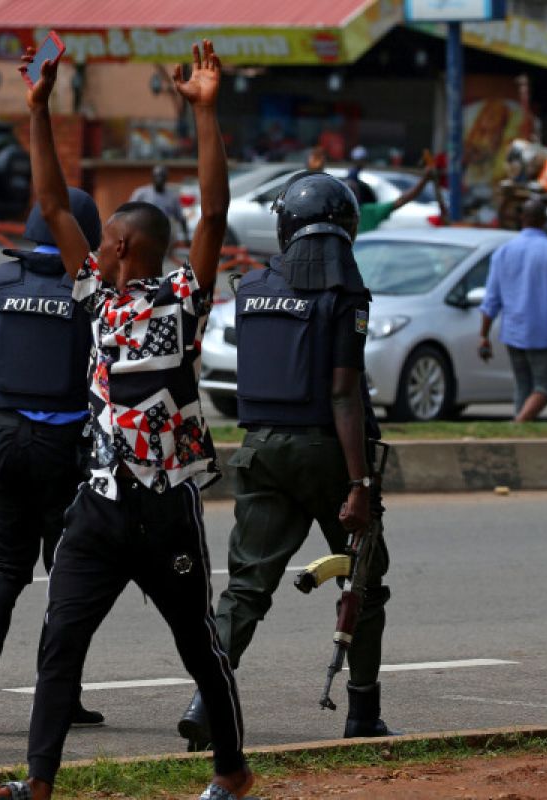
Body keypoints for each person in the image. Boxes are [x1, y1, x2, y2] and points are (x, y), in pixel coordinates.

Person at [0, 40, 252, 800]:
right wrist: (39, 111)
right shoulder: (96, 297)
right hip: (97, 506)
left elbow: (216, 209)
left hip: (166, 509)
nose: (90, 245)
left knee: (198, 643)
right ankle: (38, 784)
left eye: (103, 241)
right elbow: (53, 204)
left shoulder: (183, 300)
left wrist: (205, 113)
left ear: (124, 245)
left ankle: (232, 772)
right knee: (60, 639)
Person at [176, 171, 397, 749]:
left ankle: (206, 703)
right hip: (327, 453)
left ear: (284, 228)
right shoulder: (344, 294)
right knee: (364, 582)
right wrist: (358, 483)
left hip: (260, 452)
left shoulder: (250, 289)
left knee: (245, 591)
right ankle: (362, 712)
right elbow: (343, 394)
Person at [0, 187, 106, 732]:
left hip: (5, 438)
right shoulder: (94, 292)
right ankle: (59, 694)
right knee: (71, 572)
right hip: (68, 448)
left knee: (2, 559)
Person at [479, 198, 547, 422]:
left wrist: (483, 336)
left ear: (522, 219)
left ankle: (520, 429)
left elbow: (491, 299)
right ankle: (519, 425)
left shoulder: (503, 252)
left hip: (513, 331)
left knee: (523, 386)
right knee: (545, 387)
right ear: (544, 221)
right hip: (543, 332)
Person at [352, 166, 437, 234]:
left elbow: (402, 200)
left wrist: (424, 180)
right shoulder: (369, 212)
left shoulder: (369, 212)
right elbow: (402, 200)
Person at [130, 164, 190, 244]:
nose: (159, 179)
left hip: (163, 233)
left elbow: (181, 218)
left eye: (162, 176)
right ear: (152, 177)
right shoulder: (141, 193)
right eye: (157, 176)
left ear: (166, 178)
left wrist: (186, 236)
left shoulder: (172, 197)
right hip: (145, 231)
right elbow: (129, 211)